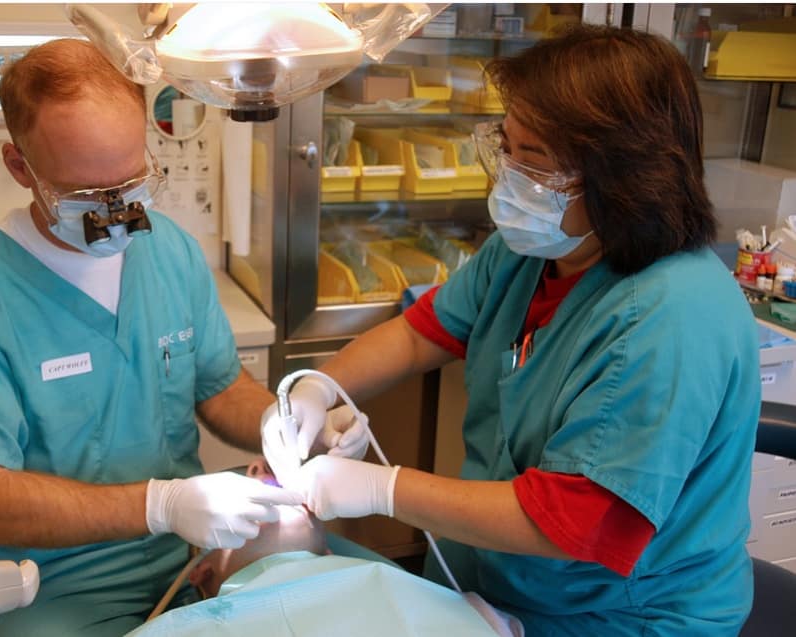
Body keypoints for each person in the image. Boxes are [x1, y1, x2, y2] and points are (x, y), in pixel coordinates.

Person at [263, 25, 761, 636]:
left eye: (537, 160)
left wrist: (381, 489)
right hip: (500, 581)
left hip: (616, 615)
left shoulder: (670, 319)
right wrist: (317, 390)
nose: (511, 174)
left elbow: (572, 520)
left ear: (620, 177)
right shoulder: (536, 253)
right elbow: (423, 332)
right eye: (508, 144)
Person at [0, 38, 365, 636]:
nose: (119, 214)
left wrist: (283, 424)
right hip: (53, 586)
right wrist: (160, 504)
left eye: (132, 185)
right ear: (21, 168)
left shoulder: (168, 250)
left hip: (191, 558)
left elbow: (218, 388)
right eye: (88, 197)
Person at [130, 459, 523, 637]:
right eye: (240, 478)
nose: (256, 469)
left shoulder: (431, 598)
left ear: (329, 552)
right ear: (201, 572)